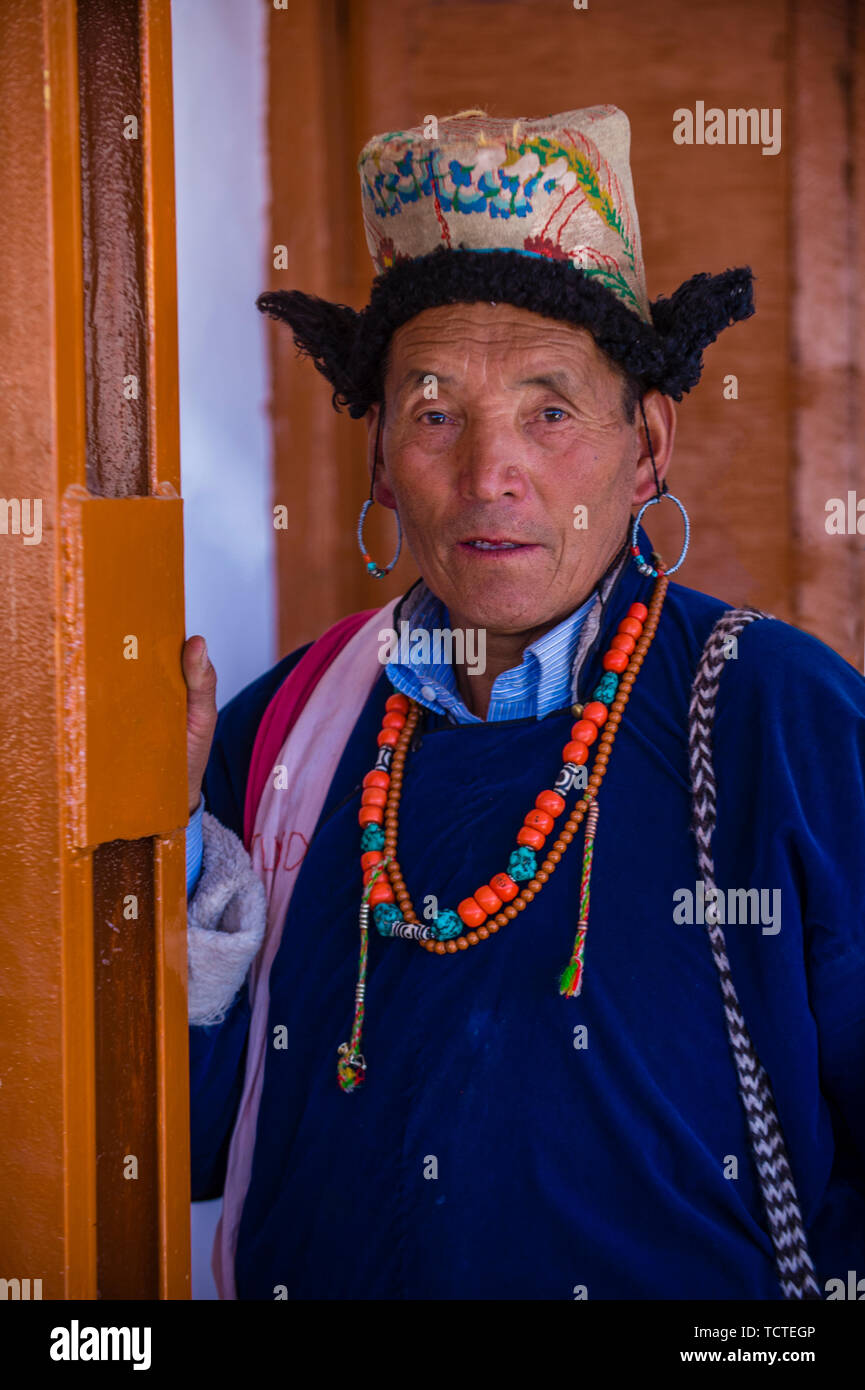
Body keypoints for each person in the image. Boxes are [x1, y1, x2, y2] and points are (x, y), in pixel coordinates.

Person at [181, 107, 865, 1301]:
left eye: (550, 410)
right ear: (382, 459)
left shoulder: (782, 722)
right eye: (435, 409)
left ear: (645, 447)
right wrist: (159, 840)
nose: (489, 472)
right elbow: (178, 1145)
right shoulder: (280, 732)